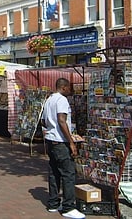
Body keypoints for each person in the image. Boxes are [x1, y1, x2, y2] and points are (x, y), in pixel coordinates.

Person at [41, 78, 85, 219]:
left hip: (51, 140)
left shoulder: (49, 100)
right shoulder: (61, 100)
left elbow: (43, 120)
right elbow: (61, 120)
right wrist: (71, 142)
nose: (70, 91)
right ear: (64, 87)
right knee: (68, 173)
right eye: (69, 88)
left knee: (54, 172)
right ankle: (68, 207)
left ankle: (53, 204)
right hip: (60, 142)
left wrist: (50, 130)